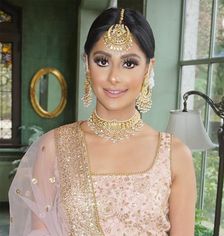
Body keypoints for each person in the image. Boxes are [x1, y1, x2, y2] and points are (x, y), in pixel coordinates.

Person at [9, 7, 196, 236]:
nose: (114, 77)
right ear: (86, 63)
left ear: (149, 68)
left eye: (129, 63)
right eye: (102, 61)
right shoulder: (55, 147)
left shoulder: (175, 155)